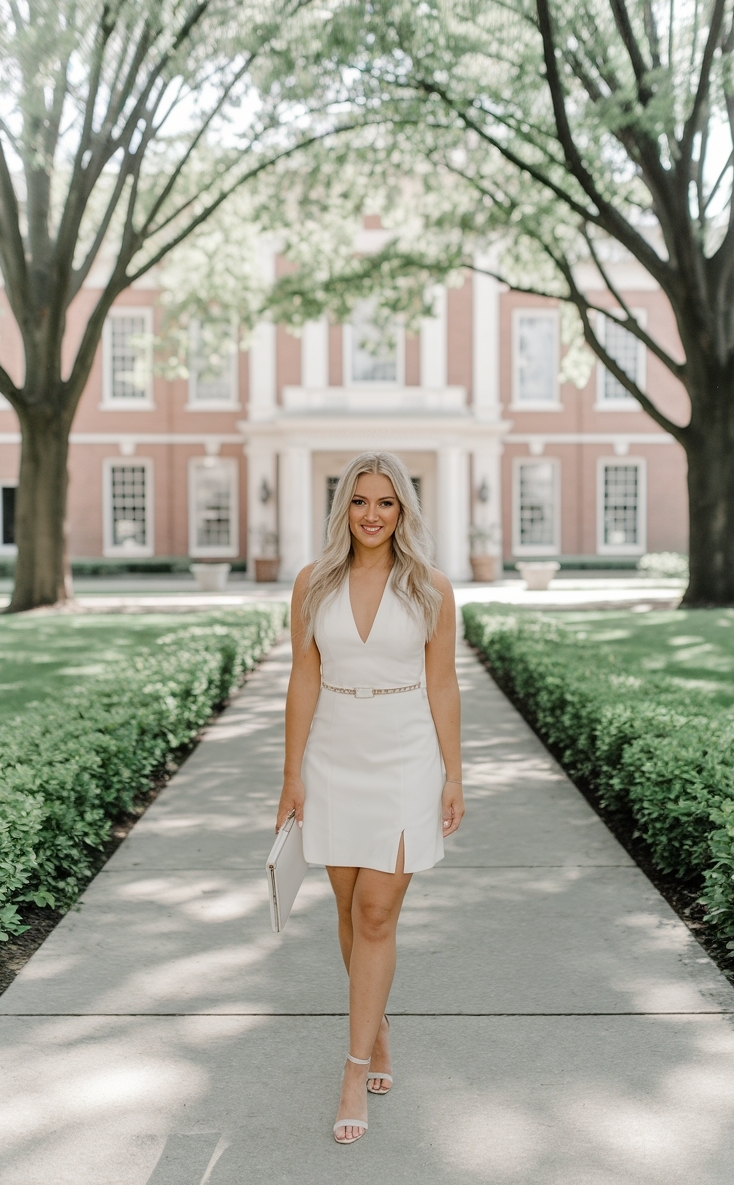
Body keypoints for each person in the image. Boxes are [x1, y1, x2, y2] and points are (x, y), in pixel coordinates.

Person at [276, 451, 465, 1144]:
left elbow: (442, 684)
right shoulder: (312, 583)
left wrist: (454, 773)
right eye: (360, 502)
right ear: (343, 510)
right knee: (347, 907)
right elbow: (303, 679)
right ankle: (376, 1022)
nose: (373, 515)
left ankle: (354, 1066)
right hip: (333, 755)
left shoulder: (431, 588)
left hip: (406, 753)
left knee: (377, 911)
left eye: (387, 503)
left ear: (404, 510)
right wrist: (291, 774)